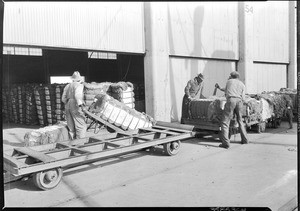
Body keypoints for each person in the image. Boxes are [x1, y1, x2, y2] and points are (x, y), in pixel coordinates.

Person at [215, 71, 249, 149]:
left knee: (225, 122)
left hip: (231, 101)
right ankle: (245, 140)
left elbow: (226, 91)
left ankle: (225, 143)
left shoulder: (229, 81)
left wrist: (220, 88)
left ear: (231, 76)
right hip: (239, 101)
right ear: (238, 77)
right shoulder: (242, 84)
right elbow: (243, 98)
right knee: (240, 121)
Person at [62, 71, 87, 139]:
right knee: (81, 125)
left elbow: (63, 99)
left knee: (71, 126)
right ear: (79, 79)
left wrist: (68, 102)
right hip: (75, 105)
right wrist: (81, 106)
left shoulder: (67, 86)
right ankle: (80, 143)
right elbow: (77, 95)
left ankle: (72, 141)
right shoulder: (79, 85)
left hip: (67, 105)